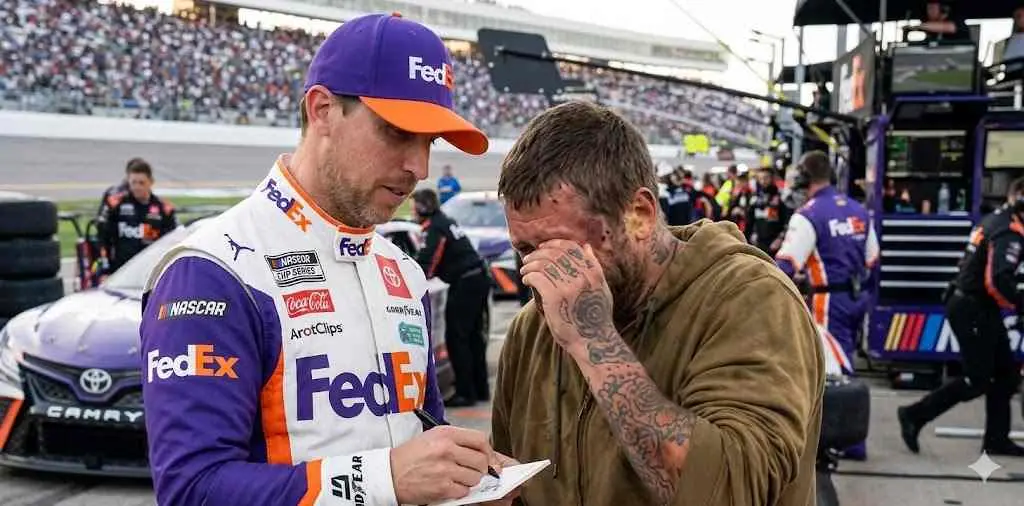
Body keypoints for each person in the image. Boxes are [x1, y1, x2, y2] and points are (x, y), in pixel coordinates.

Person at [138, 13, 517, 506]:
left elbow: (420, 439)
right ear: (322, 111)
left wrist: (465, 481)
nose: (419, 167)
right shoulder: (215, 271)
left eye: (429, 142)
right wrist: (384, 479)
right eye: (398, 132)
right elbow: (192, 490)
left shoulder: (403, 273)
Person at [491, 101, 824, 506]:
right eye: (525, 250)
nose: (538, 272)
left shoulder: (752, 300)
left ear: (639, 216)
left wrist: (594, 342)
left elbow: (729, 491)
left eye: (560, 248)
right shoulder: (532, 328)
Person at [897, 178, 1024, 457]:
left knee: (1006, 374)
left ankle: (997, 440)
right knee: (977, 379)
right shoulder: (1009, 231)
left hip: (975, 304)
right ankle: (914, 414)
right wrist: (1020, 304)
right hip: (972, 308)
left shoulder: (995, 220)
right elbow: (998, 280)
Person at [774, 151, 879, 461]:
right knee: (846, 358)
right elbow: (872, 258)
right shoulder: (859, 210)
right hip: (856, 297)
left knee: (832, 367)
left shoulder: (808, 214)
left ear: (805, 177)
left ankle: (848, 440)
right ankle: (849, 437)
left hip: (827, 299)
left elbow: (785, 265)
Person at [412, 188, 491, 407]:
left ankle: (465, 392)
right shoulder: (446, 221)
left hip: (466, 282)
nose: (413, 211)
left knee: (457, 337)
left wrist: (410, 280)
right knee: (474, 337)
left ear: (423, 207)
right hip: (478, 277)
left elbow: (426, 262)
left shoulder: (434, 227)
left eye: (415, 206)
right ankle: (480, 388)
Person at [99, 159, 177, 273]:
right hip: (121, 272)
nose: (137, 187)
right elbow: (103, 239)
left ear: (151, 182)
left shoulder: (165, 210)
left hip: (151, 272)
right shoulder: (115, 205)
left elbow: (172, 243)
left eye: (141, 183)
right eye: (133, 183)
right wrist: (105, 270)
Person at [747, 167, 790, 255]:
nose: (763, 181)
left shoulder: (781, 197)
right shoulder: (755, 198)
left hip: (776, 244)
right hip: (759, 244)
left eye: (766, 178)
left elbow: (788, 220)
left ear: (772, 178)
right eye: (760, 178)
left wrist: (780, 238)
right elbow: (750, 222)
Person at [905, 1, 971, 43]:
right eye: (928, 8)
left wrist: (916, 27)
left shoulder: (957, 19)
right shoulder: (930, 28)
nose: (929, 12)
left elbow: (949, 27)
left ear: (942, 9)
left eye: (932, 8)